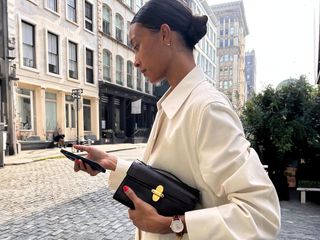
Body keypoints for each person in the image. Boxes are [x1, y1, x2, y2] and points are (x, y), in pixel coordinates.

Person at [73, 0, 281, 239]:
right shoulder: (172, 105)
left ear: (164, 34)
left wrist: (171, 224)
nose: (135, 60)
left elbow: (260, 215)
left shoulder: (207, 108)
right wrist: (110, 162)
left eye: (137, 46)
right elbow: (166, 181)